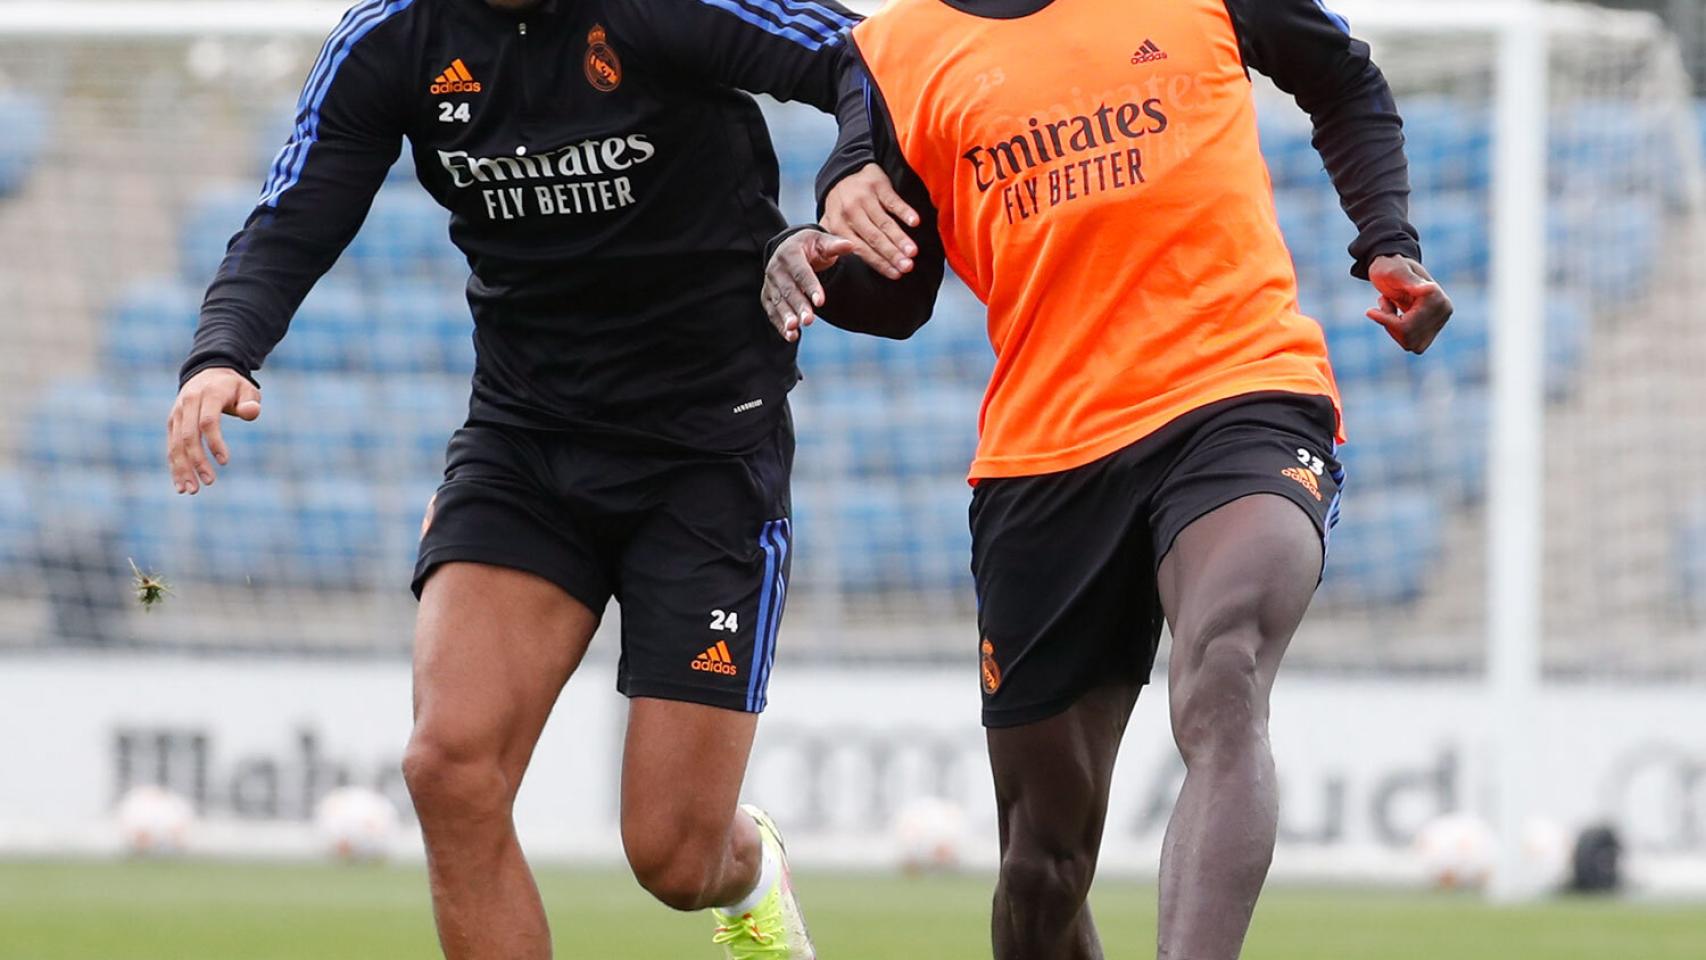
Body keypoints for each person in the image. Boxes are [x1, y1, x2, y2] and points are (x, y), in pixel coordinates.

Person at [163, 0, 918, 957]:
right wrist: (222, 353)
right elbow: (292, 214)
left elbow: (863, 54)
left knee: (674, 858)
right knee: (448, 768)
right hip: (525, 444)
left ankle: (753, 875)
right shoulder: (391, 38)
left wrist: (851, 167)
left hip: (706, 455)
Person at [763, 0, 1454, 957]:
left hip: (1240, 393)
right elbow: (898, 290)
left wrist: (1387, 239)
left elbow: (1344, 77)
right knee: (1040, 867)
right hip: (1044, 457)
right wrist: (806, 259)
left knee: (1224, 670)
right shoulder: (889, 58)